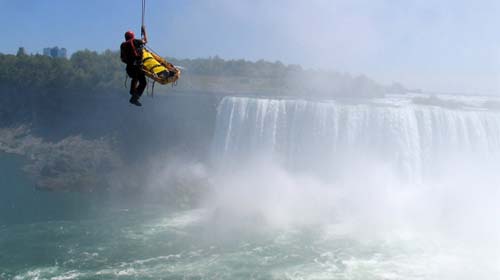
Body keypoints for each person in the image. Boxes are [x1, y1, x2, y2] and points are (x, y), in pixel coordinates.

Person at [120, 26, 148, 106]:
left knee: (135, 78)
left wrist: (130, 62)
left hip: (129, 69)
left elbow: (122, 59)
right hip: (137, 67)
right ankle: (134, 98)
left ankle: (133, 91)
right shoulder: (135, 41)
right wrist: (144, 31)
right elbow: (145, 41)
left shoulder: (122, 45)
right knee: (143, 82)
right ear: (132, 36)